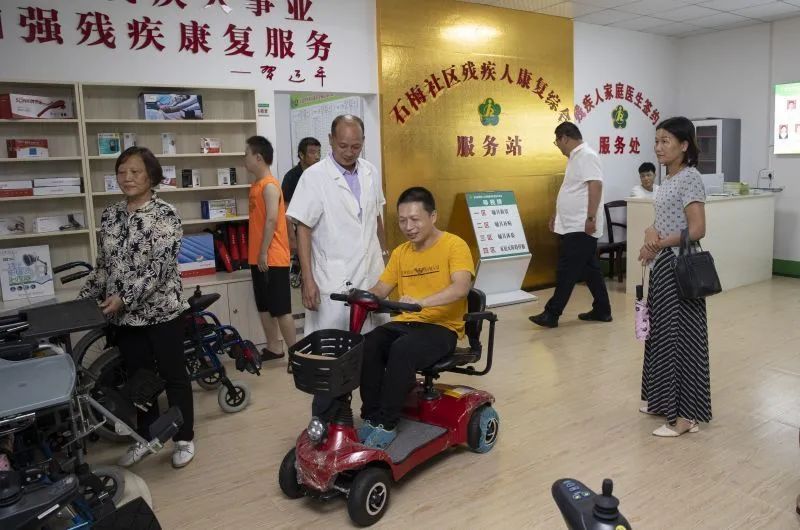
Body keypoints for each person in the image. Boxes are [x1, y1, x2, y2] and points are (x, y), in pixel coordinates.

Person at [79, 146, 195, 469]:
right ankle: (147, 437)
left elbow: (159, 270)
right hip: (126, 319)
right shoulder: (110, 215)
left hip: (163, 313)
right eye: (121, 172)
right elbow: (104, 267)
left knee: (174, 376)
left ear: (151, 176)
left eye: (135, 172)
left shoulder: (165, 215)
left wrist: (125, 297)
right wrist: (82, 300)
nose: (127, 178)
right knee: (139, 381)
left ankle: (184, 437)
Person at [358, 187, 474, 449]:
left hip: (441, 327)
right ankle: (371, 416)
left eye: (414, 219)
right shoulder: (401, 252)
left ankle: (387, 423)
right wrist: (364, 296)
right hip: (406, 323)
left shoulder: (454, 245)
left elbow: (461, 287)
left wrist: (422, 303)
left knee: (402, 349)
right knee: (370, 343)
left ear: (433, 216)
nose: (408, 227)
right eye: (402, 221)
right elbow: (381, 288)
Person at [638, 116, 710, 437]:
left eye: (665, 141)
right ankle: (664, 402)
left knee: (681, 340)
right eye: (657, 140)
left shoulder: (690, 177)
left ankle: (685, 417)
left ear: (684, 145)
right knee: (663, 336)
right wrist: (650, 235)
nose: (658, 147)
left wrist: (658, 242)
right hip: (664, 266)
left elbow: (697, 229)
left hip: (680, 267)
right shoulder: (668, 178)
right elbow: (664, 221)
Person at [286, 115, 389, 334]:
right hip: (334, 277)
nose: (349, 152)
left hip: (372, 272)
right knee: (334, 343)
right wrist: (307, 279)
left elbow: (376, 216)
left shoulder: (370, 171)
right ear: (331, 139)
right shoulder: (314, 177)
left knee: (376, 341)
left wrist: (386, 256)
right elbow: (303, 228)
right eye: (343, 145)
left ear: (363, 141)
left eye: (356, 146)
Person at [529, 122, 612, 328]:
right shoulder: (576, 157)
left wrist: (591, 218)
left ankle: (552, 313)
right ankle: (602, 310)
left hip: (580, 225)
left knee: (567, 270)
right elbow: (572, 191)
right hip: (573, 223)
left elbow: (596, 185)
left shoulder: (587, 156)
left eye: (557, 141)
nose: (557, 146)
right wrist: (557, 215)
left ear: (565, 138)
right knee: (590, 269)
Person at [245, 136, 296, 362]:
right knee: (264, 306)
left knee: (281, 308)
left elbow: (272, 220)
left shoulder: (270, 186)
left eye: (246, 154)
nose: (244, 159)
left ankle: (296, 354)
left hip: (272, 257)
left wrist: (264, 252)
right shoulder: (256, 185)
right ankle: (274, 347)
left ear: (258, 157)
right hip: (258, 257)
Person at [281, 137, 321, 206]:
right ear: (301, 155)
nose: (317, 157)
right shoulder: (290, 177)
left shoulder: (321, 173)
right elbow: (286, 204)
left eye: (319, 152)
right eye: (313, 153)